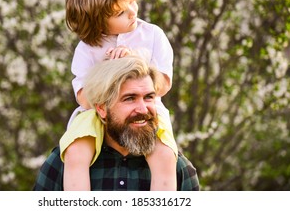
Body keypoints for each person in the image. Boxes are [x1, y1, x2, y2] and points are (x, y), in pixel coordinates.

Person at [61, 0, 177, 190]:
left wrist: (135, 63)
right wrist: (109, 72)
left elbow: (162, 85)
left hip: (148, 109)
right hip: (97, 114)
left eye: (132, 2)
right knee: (75, 152)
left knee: (165, 155)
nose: (133, 12)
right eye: (120, 13)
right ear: (97, 22)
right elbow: (85, 99)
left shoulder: (152, 35)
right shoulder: (87, 48)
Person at [34, 56, 199, 191]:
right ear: (101, 108)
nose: (143, 109)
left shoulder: (177, 169)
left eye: (149, 97)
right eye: (129, 98)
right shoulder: (62, 164)